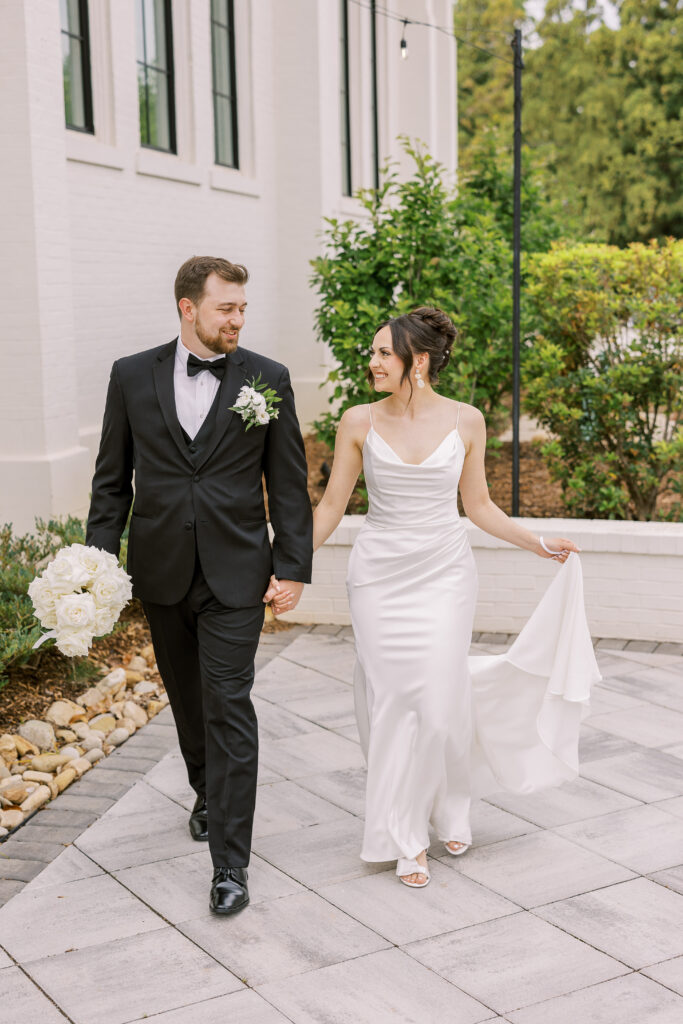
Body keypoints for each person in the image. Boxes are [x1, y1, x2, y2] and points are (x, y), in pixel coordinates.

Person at [269, 307, 599, 889]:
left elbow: (479, 507)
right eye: (372, 353)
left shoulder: (467, 421)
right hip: (378, 577)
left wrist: (537, 541)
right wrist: (287, 569)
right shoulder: (358, 422)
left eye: (382, 354)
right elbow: (330, 508)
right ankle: (405, 837)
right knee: (397, 698)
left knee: (438, 701)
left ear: (417, 361)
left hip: (445, 573)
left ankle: (450, 805)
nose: (371, 363)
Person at [86, 256, 312, 914]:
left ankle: (231, 867)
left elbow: (288, 480)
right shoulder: (131, 376)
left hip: (237, 570)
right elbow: (110, 480)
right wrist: (98, 570)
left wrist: (291, 564)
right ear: (188, 308)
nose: (238, 318)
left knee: (228, 703)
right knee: (187, 701)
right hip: (160, 569)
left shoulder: (266, 378)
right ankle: (206, 791)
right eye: (226, 308)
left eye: (242, 308)